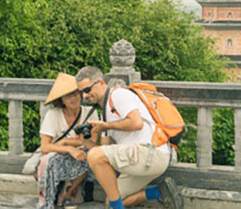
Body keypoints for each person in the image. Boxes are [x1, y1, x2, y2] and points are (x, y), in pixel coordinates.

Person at [75, 66, 183, 209]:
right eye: (81, 92)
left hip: (150, 152)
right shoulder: (105, 110)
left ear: (101, 83)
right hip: (144, 158)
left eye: (87, 90)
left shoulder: (119, 95)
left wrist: (106, 126)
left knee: (96, 158)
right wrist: (84, 141)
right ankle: (158, 192)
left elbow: (136, 123)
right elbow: (104, 150)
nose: (84, 96)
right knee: (110, 202)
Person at [37, 72, 98, 209]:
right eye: (68, 96)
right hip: (59, 155)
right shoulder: (53, 114)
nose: (73, 99)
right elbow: (45, 147)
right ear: (61, 100)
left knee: (91, 155)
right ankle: (49, 197)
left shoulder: (90, 112)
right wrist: (69, 147)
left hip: (80, 156)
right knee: (52, 160)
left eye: (76, 94)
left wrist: (67, 142)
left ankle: (67, 193)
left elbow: (92, 144)